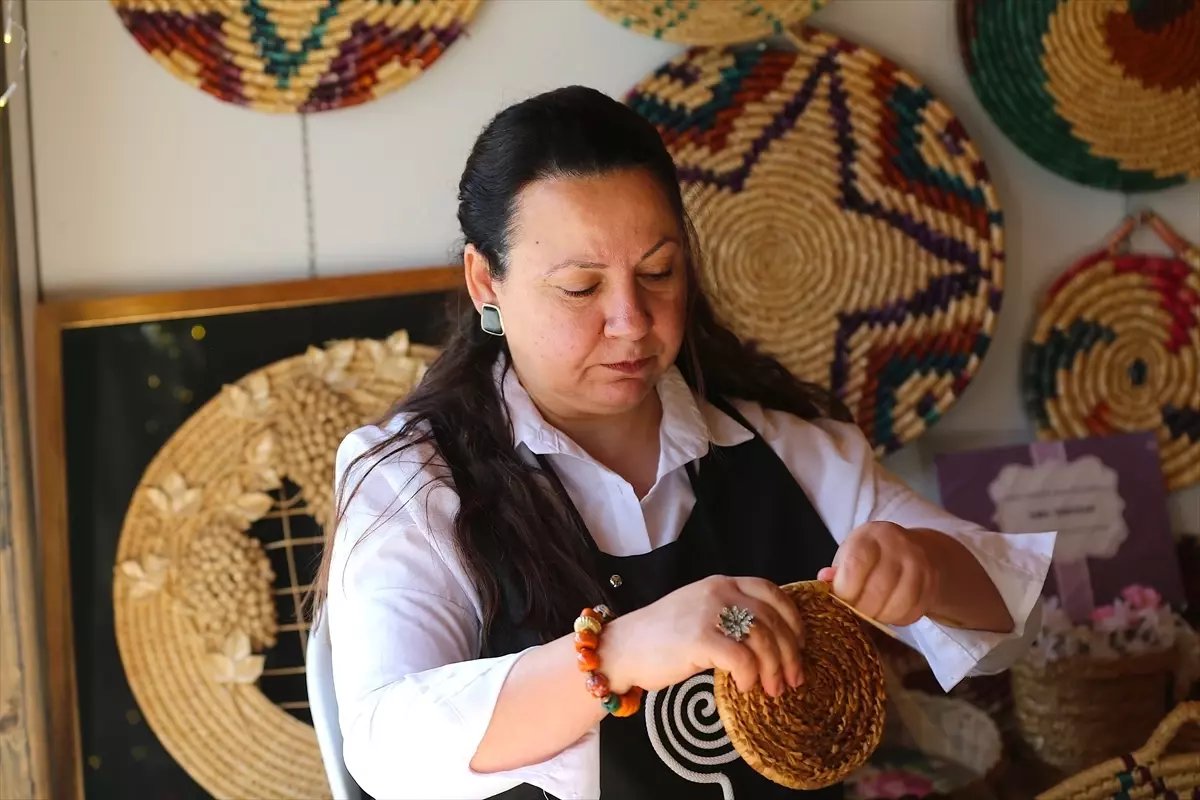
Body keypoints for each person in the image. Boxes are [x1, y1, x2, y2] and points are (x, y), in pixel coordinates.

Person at [312, 86, 1055, 800]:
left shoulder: (783, 450)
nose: (632, 320)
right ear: (485, 282)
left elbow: (1011, 619)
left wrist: (924, 567)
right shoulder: (416, 479)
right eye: (581, 287)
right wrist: (617, 654)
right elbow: (385, 745)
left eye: (658, 272)